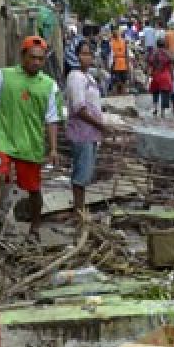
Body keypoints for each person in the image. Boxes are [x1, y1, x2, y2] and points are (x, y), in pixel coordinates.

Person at [0, 36, 61, 241]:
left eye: (40, 59)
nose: (36, 62)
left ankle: (35, 229)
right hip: (2, 139)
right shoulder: (2, 77)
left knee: (33, 189)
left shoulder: (50, 86)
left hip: (30, 145)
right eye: (32, 57)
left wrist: (54, 148)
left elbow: (52, 120)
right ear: (22, 56)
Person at [66, 39, 108, 219]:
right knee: (80, 175)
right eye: (83, 54)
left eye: (89, 54)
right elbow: (79, 108)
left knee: (84, 173)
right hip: (81, 132)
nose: (87, 57)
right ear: (76, 56)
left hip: (90, 133)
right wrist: (101, 125)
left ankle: (80, 212)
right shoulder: (75, 77)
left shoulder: (88, 77)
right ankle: (78, 213)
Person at [147, 37, 174, 118]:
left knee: (155, 93)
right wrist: (172, 77)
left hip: (156, 76)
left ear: (157, 44)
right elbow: (171, 68)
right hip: (166, 76)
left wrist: (147, 79)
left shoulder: (153, 54)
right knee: (165, 94)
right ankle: (162, 112)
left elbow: (150, 67)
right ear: (164, 45)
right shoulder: (168, 54)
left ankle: (155, 108)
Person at [108, 26, 130, 96]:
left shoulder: (123, 42)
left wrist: (127, 63)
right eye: (114, 31)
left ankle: (123, 95)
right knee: (116, 81)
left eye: (116, 31)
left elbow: (126, 53)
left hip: (122, 63)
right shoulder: (110, 42)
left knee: (123, 81)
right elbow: (109, 54)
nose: (116, 32)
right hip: (115, 63)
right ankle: (116, 95)